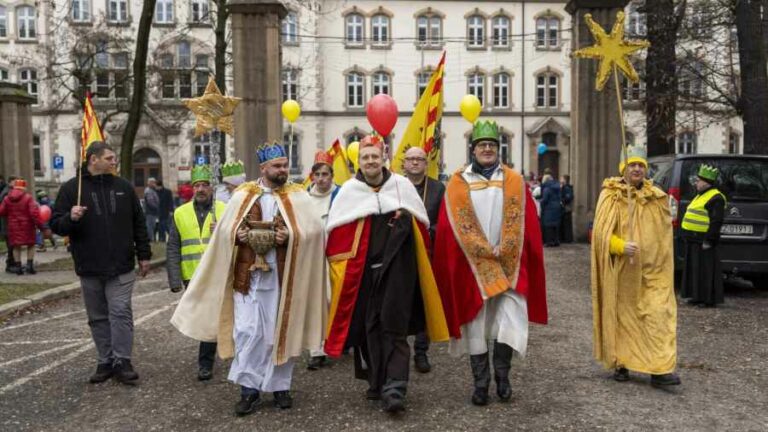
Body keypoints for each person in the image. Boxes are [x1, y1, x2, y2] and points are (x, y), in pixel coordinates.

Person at [171, 141, 326, 417]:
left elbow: (314, 231)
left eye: (284, 165)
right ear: (263, 168)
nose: (283, 170)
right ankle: (249, 390)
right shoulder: (244, 195)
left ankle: (280, 387)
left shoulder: (297, 195)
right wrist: (237, 235)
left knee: (278, 332)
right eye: (277, 166)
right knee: (247, 332)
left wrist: (290, 236)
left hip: (282, 277)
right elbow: (225, 231)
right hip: (248, 280)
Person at [324, 135, 449, 413]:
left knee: (395, 326)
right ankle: (376, 380)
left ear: (384, 158)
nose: (371, 161)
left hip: (398, 271)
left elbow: (421, 229)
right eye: (365, 157)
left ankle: (395, 388)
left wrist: (403, 222)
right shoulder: (349, 192)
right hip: (363, 275)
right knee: (369, 327)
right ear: (360, 161)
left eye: (375, 156)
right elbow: (336, 239)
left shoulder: (402, 187)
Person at [432, 120, 548, 406]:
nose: (487, 149)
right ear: (473, 150)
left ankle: (503, 378)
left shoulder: (514, 180)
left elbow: (528, 223)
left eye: (492, 146)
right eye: (482, 145)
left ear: (499, 150)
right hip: (473, 266)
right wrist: (474, 251)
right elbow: (449, 229)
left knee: (508, 321)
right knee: (476, 326)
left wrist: (510, 248)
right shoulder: (459, 182)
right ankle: (481, 384)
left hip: (509, 263)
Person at [50, 141, 152, 385]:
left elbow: (139, 223)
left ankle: (123, 360)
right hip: (89, 265)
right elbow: (55, 225)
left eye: (114, 157)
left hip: (121, 265)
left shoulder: (124, 187)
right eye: (109, 157)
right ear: (93, 160)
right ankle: (105, 360)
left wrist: (144, 254)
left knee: (120, 312)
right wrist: (70, 218)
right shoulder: (71, 189)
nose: (114, 161)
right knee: (97, 317)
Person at [591, 144, 681, 388]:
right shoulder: (610, 195)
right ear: (624, 168)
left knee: (659, 315)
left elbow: (664, 234)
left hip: (654, 272)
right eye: (632, 165)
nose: (637, 169)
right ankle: (622, 362)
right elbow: (599, 235)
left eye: (641, 165)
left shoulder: (657, 197)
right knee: (625, 319)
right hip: (623, 272)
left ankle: (660, 370)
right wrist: (620, 245)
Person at [166, 165, 226, 381]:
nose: (201, 189)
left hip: (219, 271)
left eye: (205, 185)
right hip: (193, 275)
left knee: (224, 315)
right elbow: (173, 246)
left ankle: (220, 358)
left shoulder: (224, 209)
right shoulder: (180, 213)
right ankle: (206, 363)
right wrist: (174, 278)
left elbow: (238, 239)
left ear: (212, 188)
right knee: (204, 319)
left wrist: (222, 230)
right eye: (197, 185)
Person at [402, 146, 445, 374]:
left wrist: (431, 231)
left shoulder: (438, 188)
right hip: (400, 255)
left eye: (420, 159)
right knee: (399, 302)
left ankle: (421, 351)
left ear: (426, 164)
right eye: (411, 159)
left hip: (429, 254)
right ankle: (399, 351)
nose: (415, 163)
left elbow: (444, 221)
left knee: (425, 301)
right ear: (404, 163)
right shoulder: (394, 187)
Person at [306, 151, 340, 371]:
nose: (321, 178)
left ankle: (338, 340)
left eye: (325, 174)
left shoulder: (342, 195)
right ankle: (316, 350)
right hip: (313, 257)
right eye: (317, 174)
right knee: (316, 301)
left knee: (335, 299)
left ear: (331, 175)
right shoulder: (304, 198)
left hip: (337, 255)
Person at [680, 164, 726, 308]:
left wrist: (710, 240)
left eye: (698, 180)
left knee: (705, 271)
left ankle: (707, 300)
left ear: (706, 182)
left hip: (704, 241)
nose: (696, 183)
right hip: (694, 239)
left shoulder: (716, 197)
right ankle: (696, 296)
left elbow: (716, 221)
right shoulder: (701, 195)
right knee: (695, 271)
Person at [0, 179, 42, 275]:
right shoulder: (28, 198)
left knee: (16, 246)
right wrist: (39, 224)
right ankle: (29, 266)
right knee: (31, 245)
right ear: (24, 188)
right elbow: (33, 213)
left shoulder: (7, 198)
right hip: (28, 226)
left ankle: (18, 267)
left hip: (13, 226)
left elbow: (2, 211)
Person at [540, 174, 563, 247]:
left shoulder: (547, 188)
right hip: (557, 207)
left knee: (548, 225)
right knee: (555, 225)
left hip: (549, 208)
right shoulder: (557, 187)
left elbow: (545, 199)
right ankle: (556, 241)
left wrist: (541, 203)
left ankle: (549, 242)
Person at [143, 178, 160, 242]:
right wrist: (157, 207)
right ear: (149, 183)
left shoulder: (152, 190)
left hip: (151, 212)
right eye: (153, 182)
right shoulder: (149, 191)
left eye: (154, 182)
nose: (154, 184)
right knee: (150, 225)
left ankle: (151, 238)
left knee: (152, 225)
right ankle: (150, 239)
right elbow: (150, 202)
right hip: (150, 212)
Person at [560, 175, 574, 243]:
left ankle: (568, 239)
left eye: (562, 178)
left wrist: (562, 201)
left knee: (567, 224)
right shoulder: (564, 187)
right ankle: (565, 238)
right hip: (564, 208)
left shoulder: (567, 188)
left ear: (565, 180)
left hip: (566, 208)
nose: (560, 179)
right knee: (565, 224)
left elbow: (568, 197)